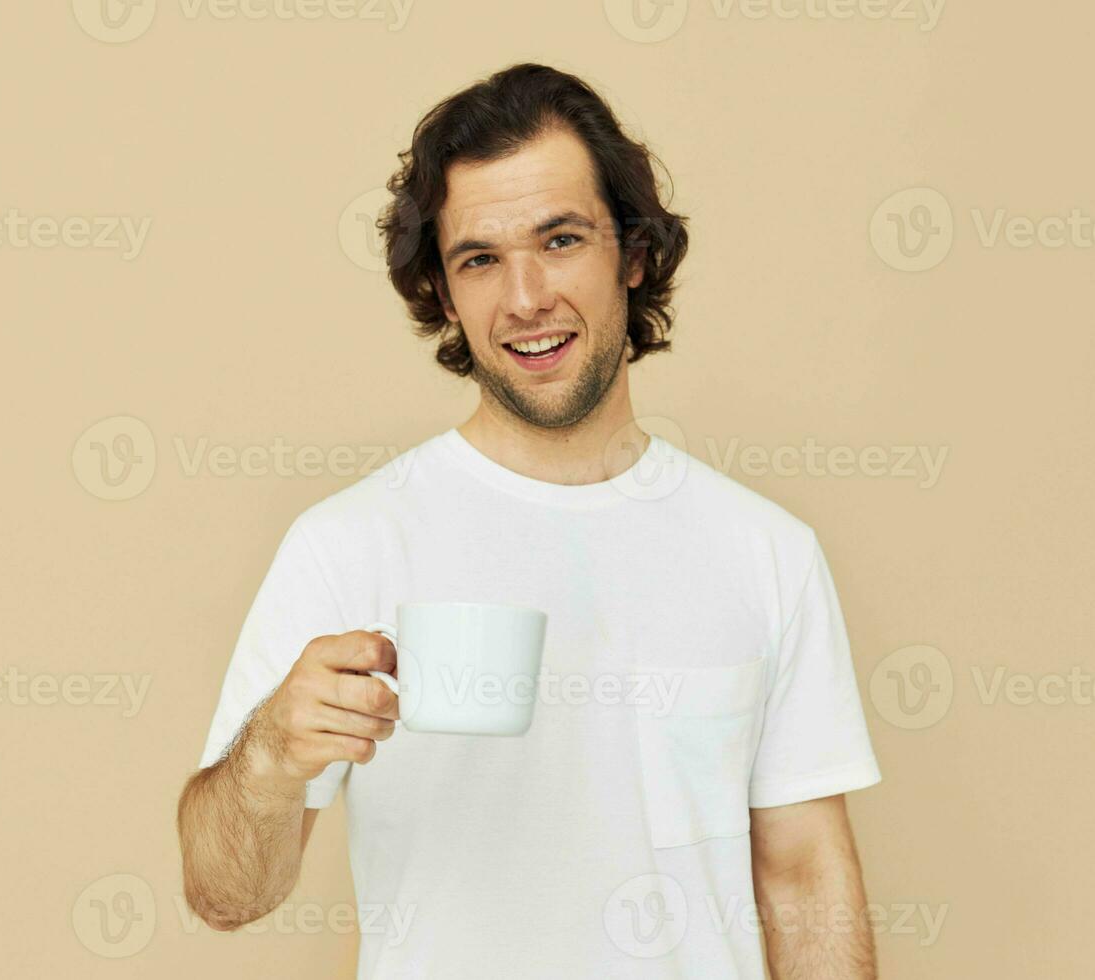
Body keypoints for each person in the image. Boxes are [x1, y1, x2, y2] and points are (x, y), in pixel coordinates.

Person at [177, 62, 883, 979]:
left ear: (631, 254)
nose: (524, 298)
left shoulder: (766, 552)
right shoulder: (349, 544)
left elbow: (803, 876)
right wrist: (269, 753)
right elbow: (224, 893)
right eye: (480, 258)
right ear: (443, 290)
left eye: (560, 240)